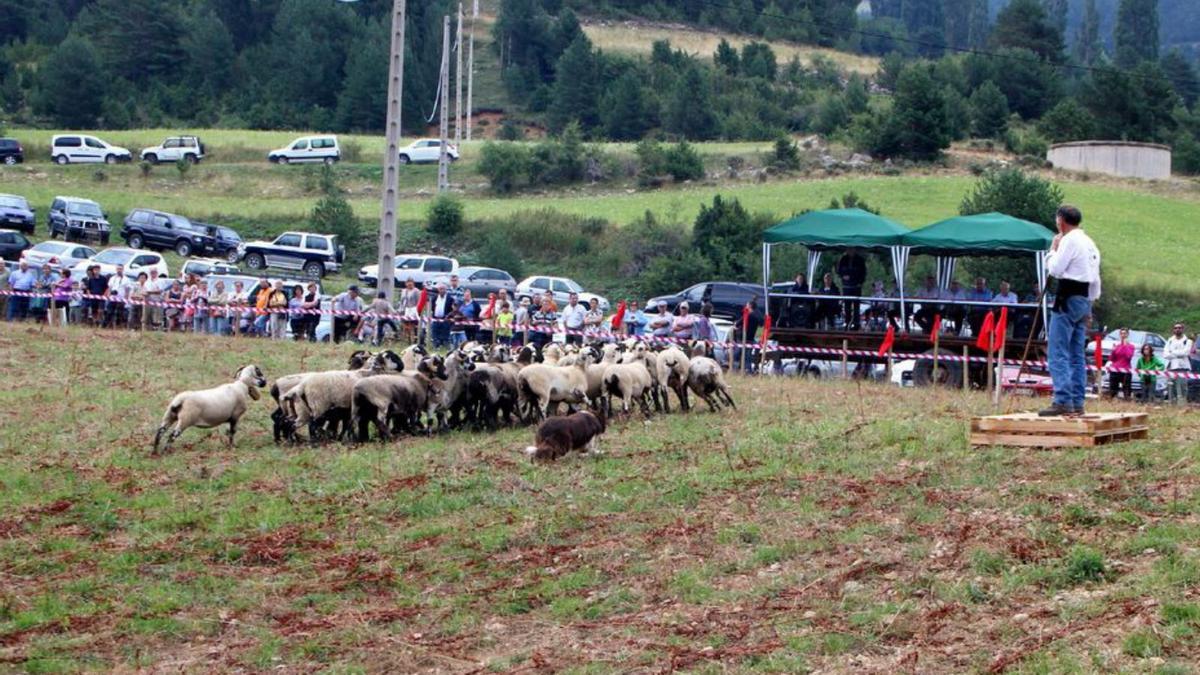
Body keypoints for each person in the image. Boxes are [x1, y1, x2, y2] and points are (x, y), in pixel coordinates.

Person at [1041, 205, 1101, 417]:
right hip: (1084, 299)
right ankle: (1077, 402)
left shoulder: (1068, 240)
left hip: (1067, 297)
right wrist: (1090, 306)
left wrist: (1052, 251)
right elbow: (1096, 279)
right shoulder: (1090, 243)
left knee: (1057, 352)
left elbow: (1056, 269)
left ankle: (1063, 400)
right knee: (1077, 354)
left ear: (1061, 221)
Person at [1164, 322, 1193, 406]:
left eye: (1179, 328)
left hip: (1183, 367)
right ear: (1173, 330)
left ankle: (1182, 405)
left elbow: (1185, 353)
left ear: (1182, 329)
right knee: (1171, 387)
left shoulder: (1188, 341)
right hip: (1171, 367)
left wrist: (1172, 352)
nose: (1177, 329)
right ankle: (1172, 405)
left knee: (1182, 387)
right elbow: (1165, 354)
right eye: (1176, 328)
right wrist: (1177, 354)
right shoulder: (1169, 340)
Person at [836, 249, 866, 329]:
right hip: (847, 286)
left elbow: (863, 272)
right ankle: (847, 321)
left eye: (852, 249)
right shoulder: (843, 259)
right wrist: (843, 276)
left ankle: (856, 323)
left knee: (856, 306)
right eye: (849, 249)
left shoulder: (860, 260)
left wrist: (860, 282)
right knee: (847, 306)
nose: (851, 251)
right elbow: (839, 270)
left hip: (856, 286)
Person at [733, 298, 763, 372]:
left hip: (742, 338)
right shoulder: (757, 317)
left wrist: (735, 325)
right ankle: (748, 370)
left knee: (737, 354)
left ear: (750, 306)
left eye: (747, 305)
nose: (746, 306)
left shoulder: (747, 316)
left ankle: (734, 369)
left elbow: (737, 324)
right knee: (748, 356)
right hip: (750, 338)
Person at [1106, 328, 1135, 400]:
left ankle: (1127, 400)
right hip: (1115, 369)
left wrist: (1125, 345)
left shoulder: (1131, 346)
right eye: (1121, 333)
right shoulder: (1117, 346)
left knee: (1126, 388)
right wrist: (1113, 351)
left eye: (1125, 333)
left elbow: (1129, 356)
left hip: (1126, 369)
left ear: (1128, 335)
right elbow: (1112, 359)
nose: (1123, 335)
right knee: (1113, 388)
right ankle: (1111, 400)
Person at [399, 278, 421, 343]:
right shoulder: (404, 291)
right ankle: (407, 340)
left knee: (413, 326)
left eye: (410, 283)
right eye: (408, 283)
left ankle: (415, 340)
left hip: (414, 310)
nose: (409, 284)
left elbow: (418, 301)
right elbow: (401, 301)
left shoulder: (416, 291)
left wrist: (417, 310)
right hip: (406, 310)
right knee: (406, 326)